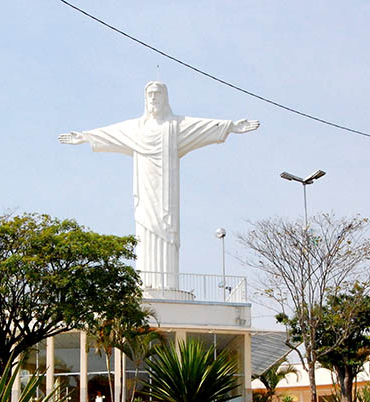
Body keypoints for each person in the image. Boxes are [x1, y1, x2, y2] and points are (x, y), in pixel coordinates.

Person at [59, 82, 259, 290]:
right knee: (144, 233)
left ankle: (168, 286)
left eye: (157, 94)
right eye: (150, 94)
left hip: (167, 199)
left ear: (165, 98)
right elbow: (111, 133)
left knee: (167, 233)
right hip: (145, 197)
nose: (153, 98)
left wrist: (231, 127)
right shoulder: (135, 129)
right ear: (145, 99)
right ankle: (146, 284)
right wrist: (84, 137)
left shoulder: (175, 126)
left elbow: (203, 126)